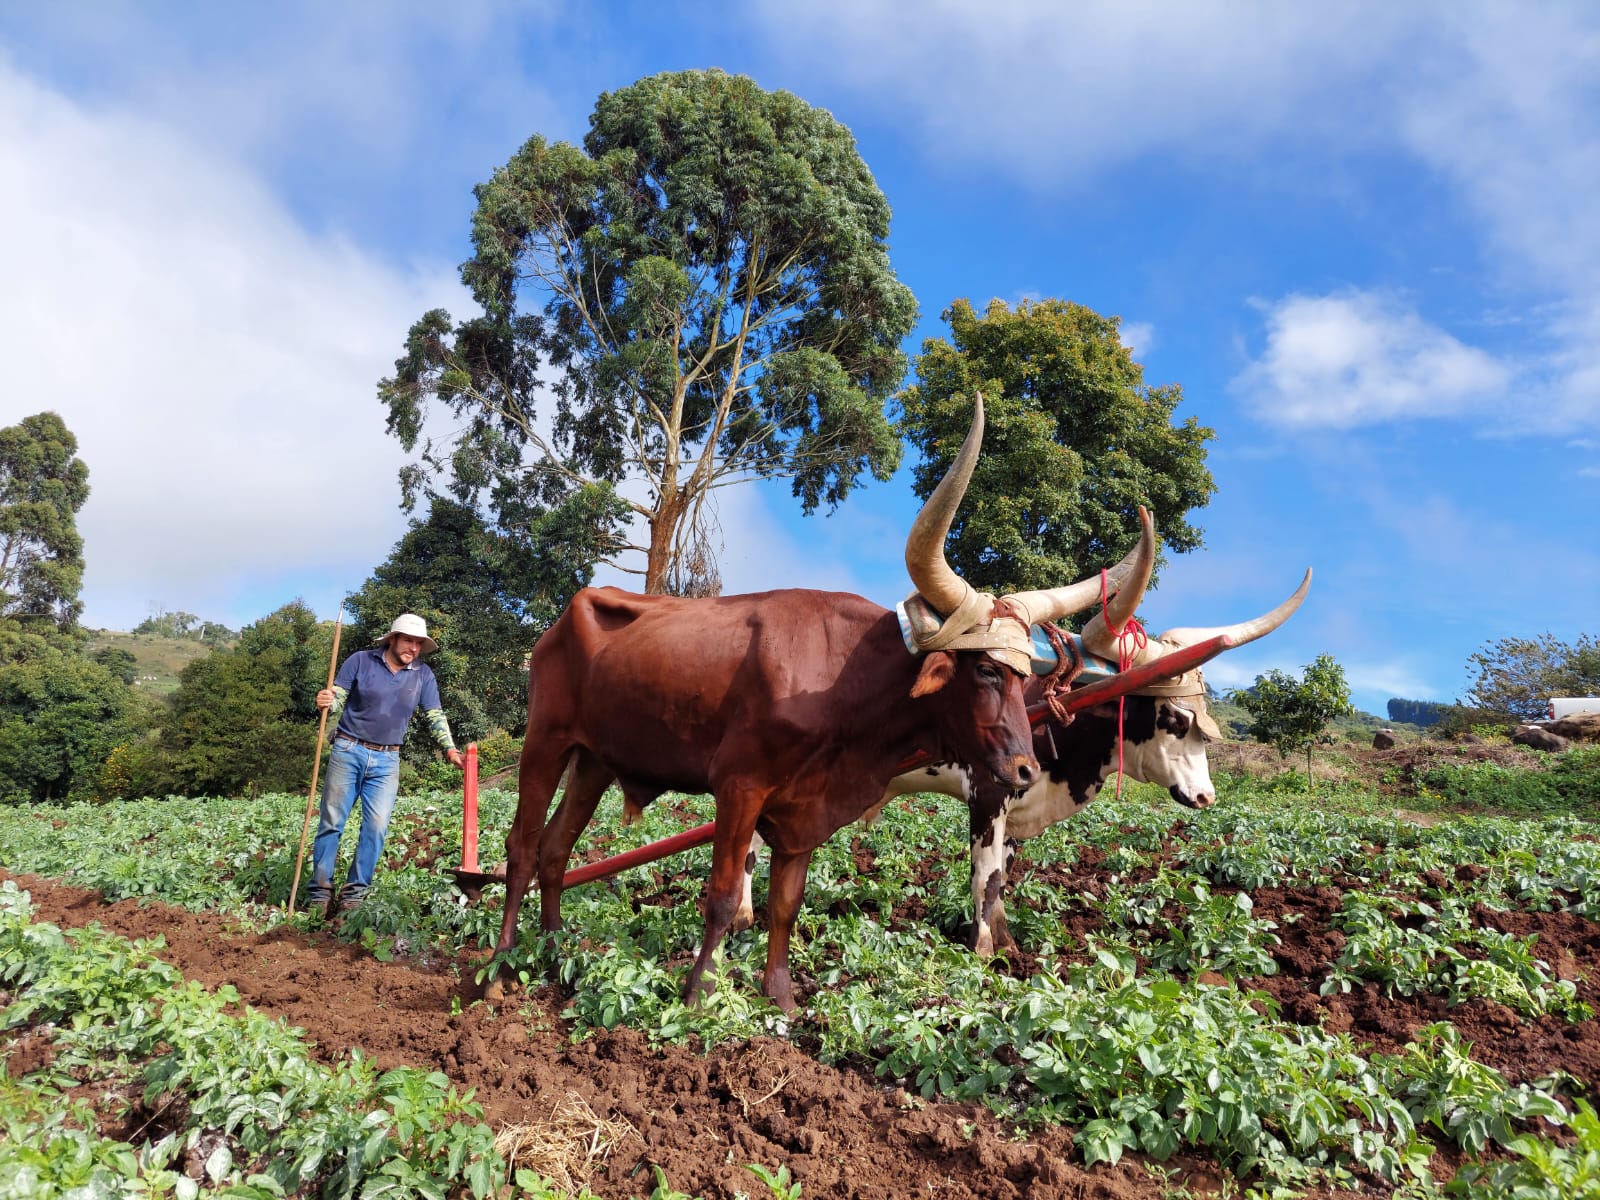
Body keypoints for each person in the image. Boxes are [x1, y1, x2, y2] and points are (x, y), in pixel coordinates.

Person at [307, 613, 464, 916]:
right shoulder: (361, 660)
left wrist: (450, 749)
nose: (414, 648)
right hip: (348, 749)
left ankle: (354, 894)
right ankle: (320, 892)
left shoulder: (423, 675)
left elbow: (434, 715)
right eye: (409, 641)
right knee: (331, 822)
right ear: (392, 638)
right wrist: (327, 699)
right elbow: (337, 697)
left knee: (376, 827)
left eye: (419, 643)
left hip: (387, 758)